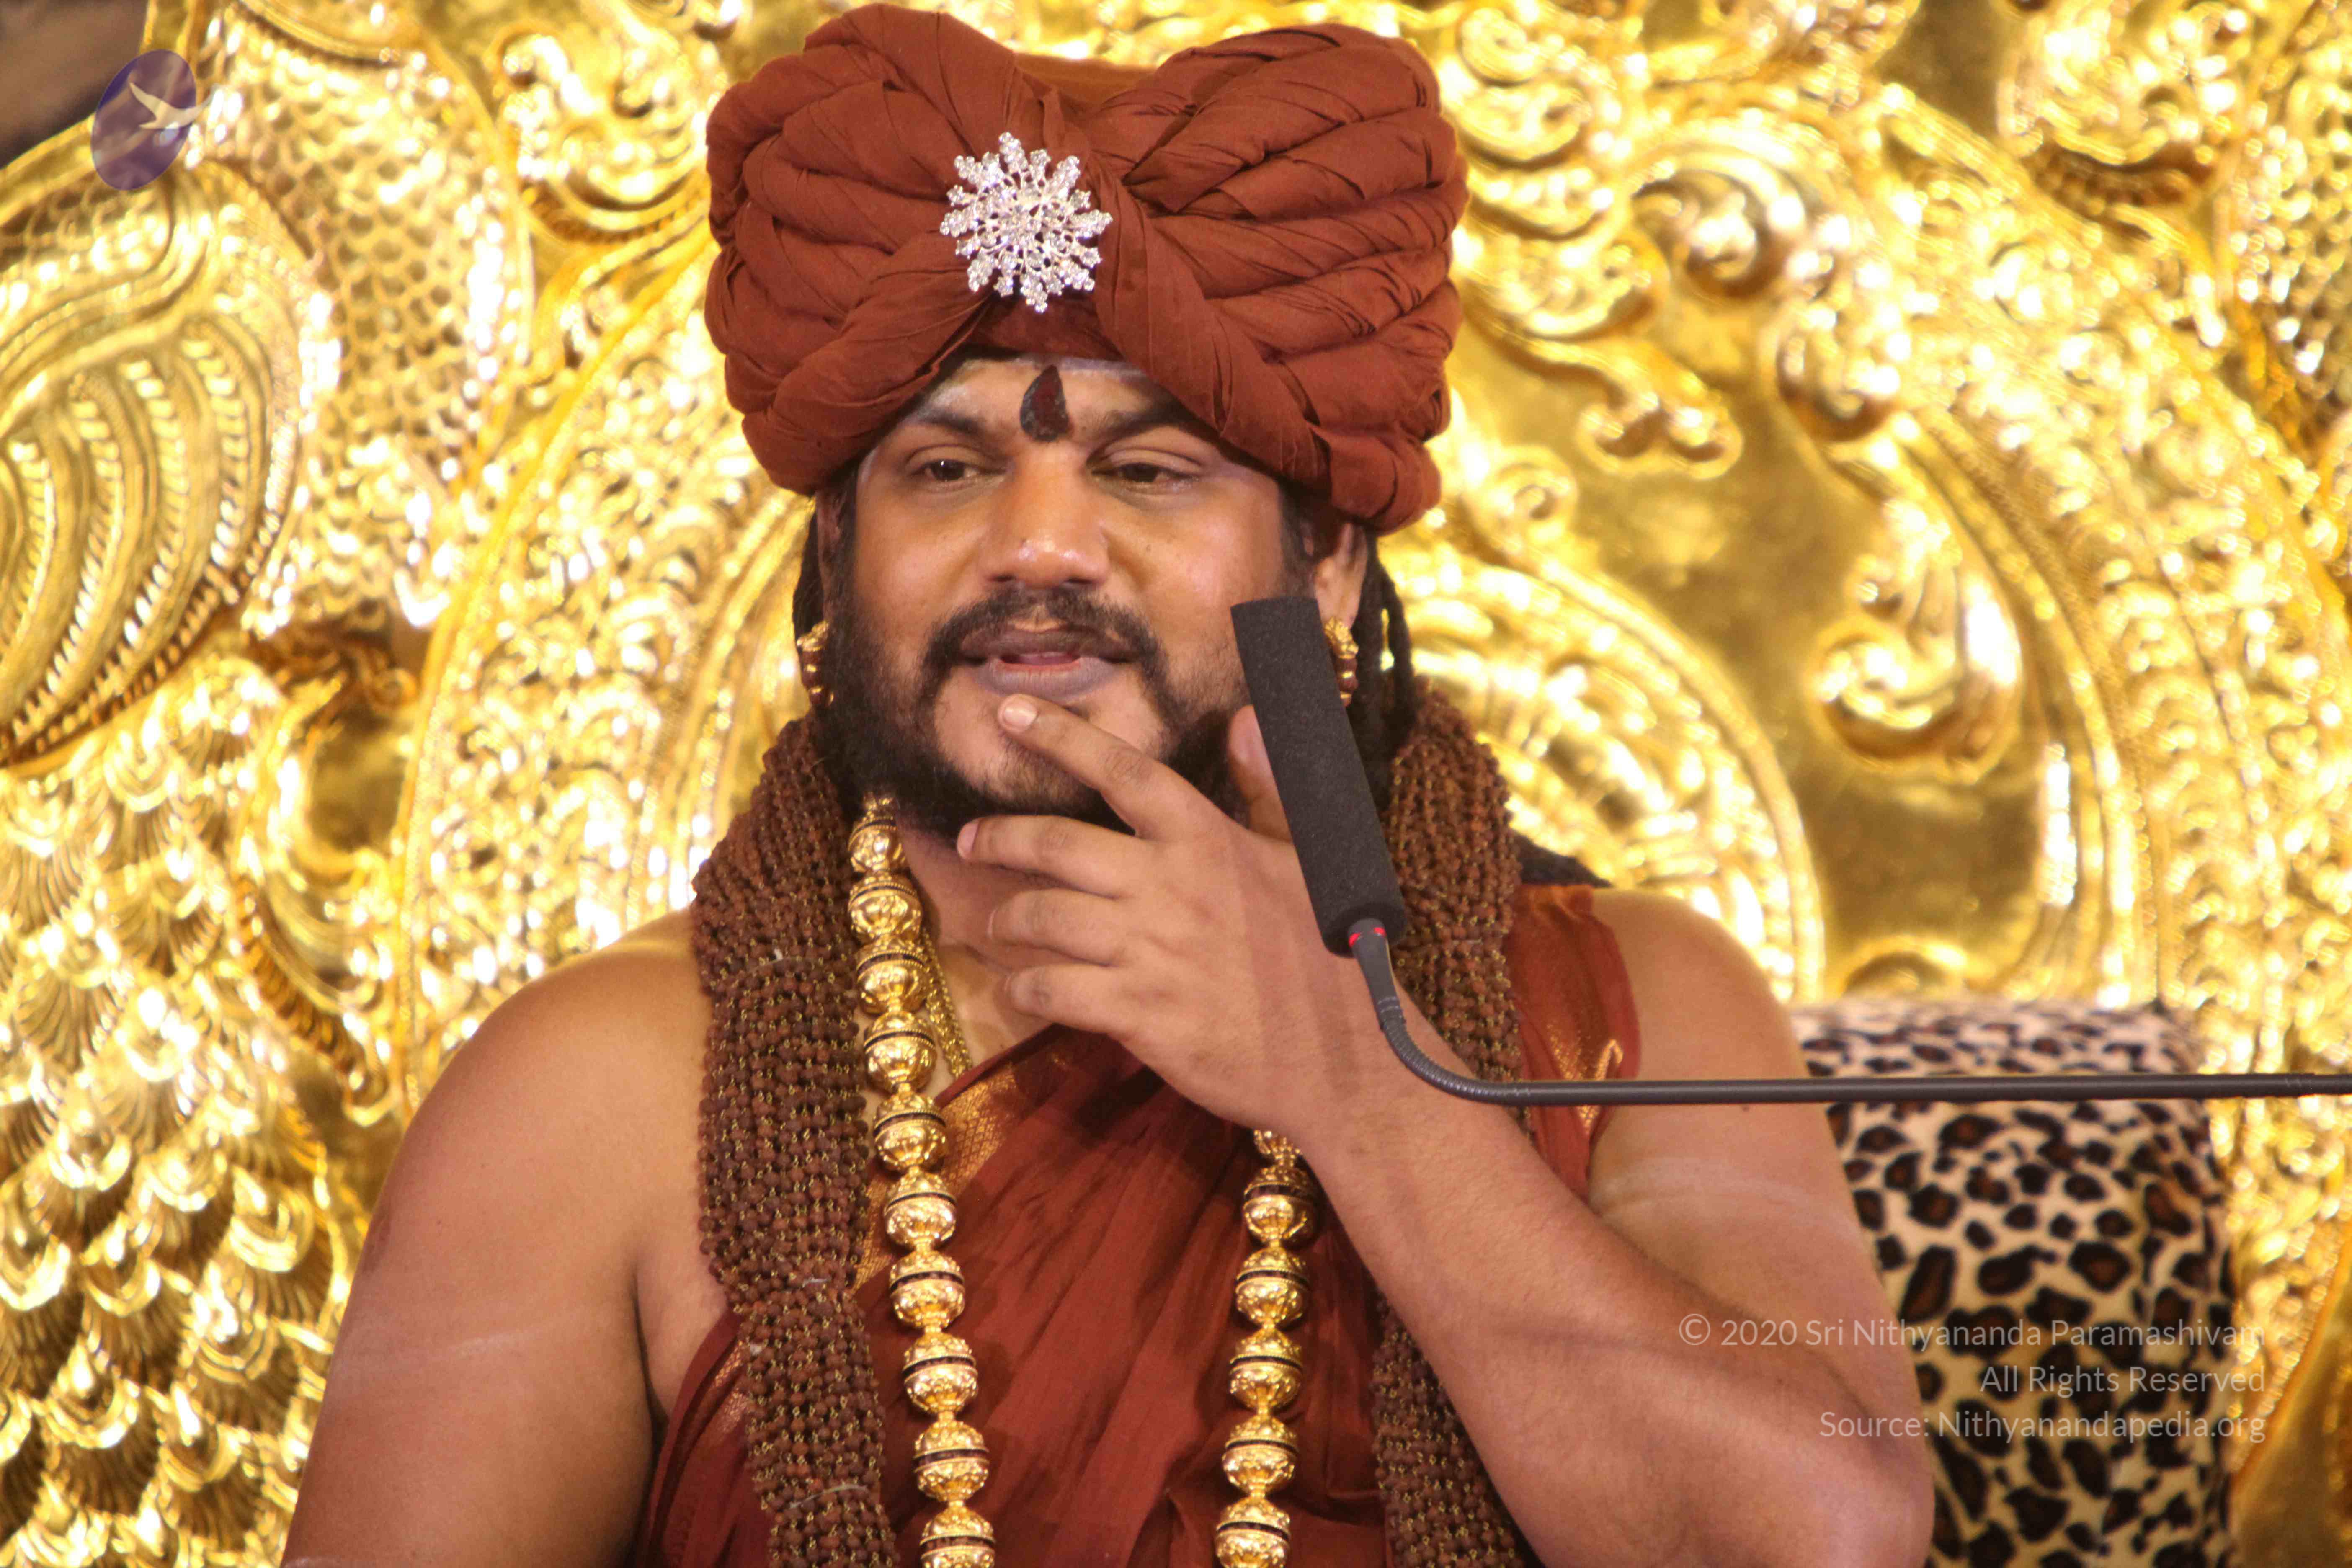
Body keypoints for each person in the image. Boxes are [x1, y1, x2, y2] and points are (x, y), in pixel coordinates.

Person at [283, 7, 1934, 1565]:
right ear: (838, 552)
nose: (1041, 547)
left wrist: (1354, 1085)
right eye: (948, 467)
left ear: (1328, 562)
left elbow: (1825, 1540)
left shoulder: (1630, 1006)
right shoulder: (599, 1089)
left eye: (1148, 469)